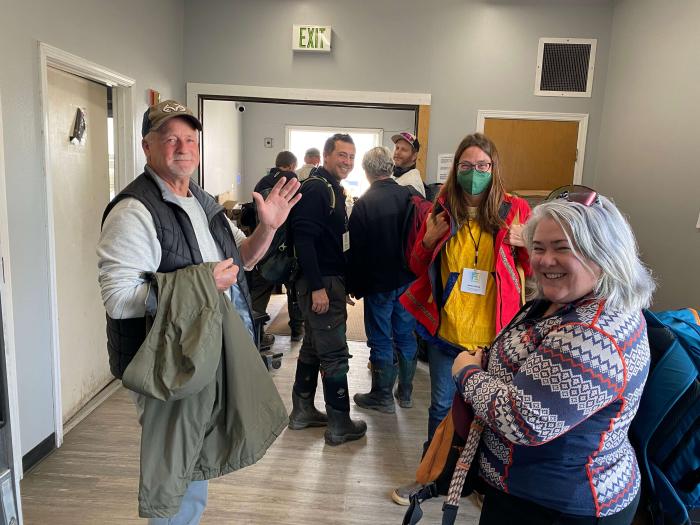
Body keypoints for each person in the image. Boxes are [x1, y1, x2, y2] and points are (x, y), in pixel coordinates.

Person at [96, 99, 300, 524]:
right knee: (175, 479)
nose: (182, 147)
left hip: (203, 351)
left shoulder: (203, 201)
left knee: (193, 470)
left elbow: (239, 262)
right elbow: (118, 298)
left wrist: (268, 229)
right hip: (167, 363)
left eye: (190, 138)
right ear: (146, 146)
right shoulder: (133, 210)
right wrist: (204, 282)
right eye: (170, 138)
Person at [452, 185, 654, 524]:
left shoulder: (592, 334)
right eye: (539, 247)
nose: (545, 260)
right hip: (527, 490)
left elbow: (524, 420)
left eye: (563, 249)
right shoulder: (564, 299)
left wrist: (466, 373)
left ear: (603, 253)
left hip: (558, 505)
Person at [393, 132, 531, 505]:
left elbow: (533, 271)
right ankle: (431, 477)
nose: (474, 173)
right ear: (456, 169)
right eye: (467, 166)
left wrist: (527, 244)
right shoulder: (441, 208)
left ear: (494, 168)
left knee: (492, 415)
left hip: (496, 336)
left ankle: (483, 484)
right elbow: (416, 266)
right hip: (449, 331)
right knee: (441, 408)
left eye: (482, 166)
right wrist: (426, 240)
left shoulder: (516, 210)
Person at [287, 133, 367, 446]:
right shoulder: (317, 189)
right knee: (334, 354)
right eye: (341, 155)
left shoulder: (331, 188)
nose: (347, 162)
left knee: (312, 345)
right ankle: (339, 423)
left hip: (329, 281)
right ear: (326, 155)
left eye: (351, 156)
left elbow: (333, 243)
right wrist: (319, 287)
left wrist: (340, 282)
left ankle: (302, 411)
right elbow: (304, 241)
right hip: (319, 283)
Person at [347, 147, 418, 413]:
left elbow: (355, 252)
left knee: (380, 338)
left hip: (378, 283)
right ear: (390, 167)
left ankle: (382, 396)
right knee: (404, 334)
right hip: (409, 280)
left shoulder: (364, 204)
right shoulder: (411, 195)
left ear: (366, 172)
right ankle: (407, 392)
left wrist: (353, 285)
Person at [247, 150, 305, 342]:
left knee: (260, 291)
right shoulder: (291, 179)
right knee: (293, 289)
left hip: (262, 244)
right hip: (286, 246)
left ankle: (254, 334)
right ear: (291, 166)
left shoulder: (261, 182)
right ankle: (297, 330)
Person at [391, 131, 426, 198]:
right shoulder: (395, 174)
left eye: (403, 149)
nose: (397, 152)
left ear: (414, 156)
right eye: (397, 148)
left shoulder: (413, 183)